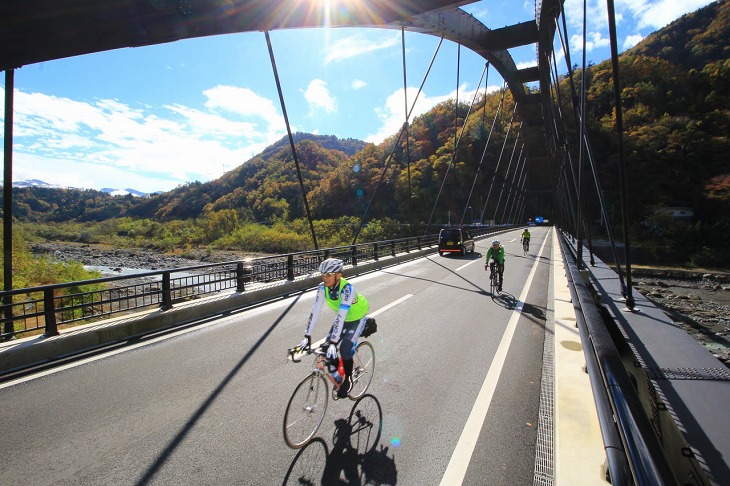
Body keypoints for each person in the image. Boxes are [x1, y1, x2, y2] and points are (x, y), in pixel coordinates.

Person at [298, 258, 370, 399]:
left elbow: (341, 316)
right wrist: (307, 336)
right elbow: (315, 311)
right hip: (343, 319)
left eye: (329, 275)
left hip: (357, 318)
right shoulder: (322, 287)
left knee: (344, 349)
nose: (325, 278)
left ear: (338, 275)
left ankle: (348, 380)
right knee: (327, 351)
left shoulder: (347, 289)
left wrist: (334, 342)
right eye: (323, 274)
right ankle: (338, 376)